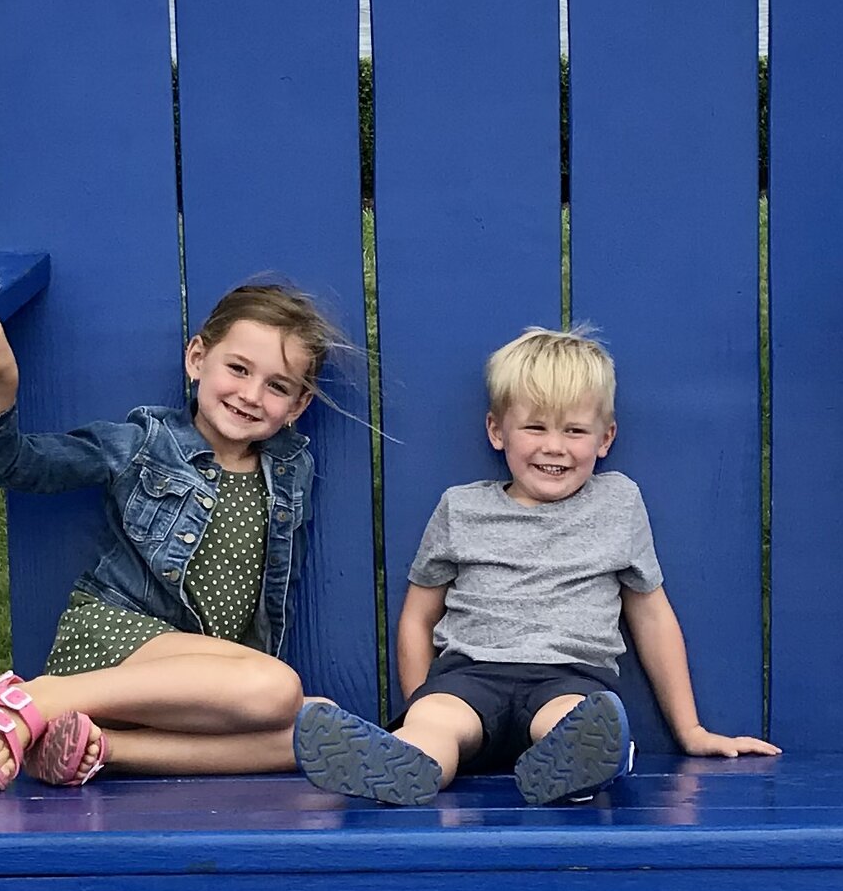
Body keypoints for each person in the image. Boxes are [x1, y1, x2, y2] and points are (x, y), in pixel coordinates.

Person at [293, 325, 779, 806]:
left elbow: (651, 615)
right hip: (470, 672)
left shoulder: (618, 503)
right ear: (496, 431)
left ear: (605, 438)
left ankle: (577, 770)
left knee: (576, 721)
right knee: (437, 723)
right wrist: (422, 697)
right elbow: (419, 616)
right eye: (535, 427)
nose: (554, 446)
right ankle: (403, 765)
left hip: (568, 674)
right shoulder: (460, 508)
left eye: (574, 430)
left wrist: (690, 730)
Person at [0, 278, 342, 788]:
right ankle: (38, 698)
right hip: (113, 648)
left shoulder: (291, 470)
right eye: (239, 369)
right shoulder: (145, 444)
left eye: (277, 386)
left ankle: (98, 746)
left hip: (191, 688)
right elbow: (9, 463)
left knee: (319, 722)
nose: (251, 395)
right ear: (198, 358)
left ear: (298, 405)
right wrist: (1, 382)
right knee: (278, 688)